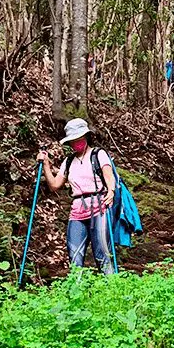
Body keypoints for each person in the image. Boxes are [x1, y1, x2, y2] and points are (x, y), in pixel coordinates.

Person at [37, 118, 116, 275]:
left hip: (99, 207)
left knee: (102, 253)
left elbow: (109, 175)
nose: (76, 143)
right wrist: (46, 164)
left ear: (86, 136)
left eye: (78, 139)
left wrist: (111, 191)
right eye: (73, 140)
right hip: (77, 211)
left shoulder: (98, 154)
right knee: (75, 255)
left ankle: (112, 290)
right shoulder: (68, 161)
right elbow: (54, 185)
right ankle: (76, 293)